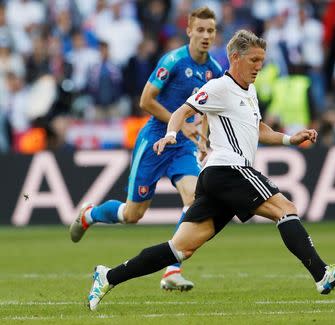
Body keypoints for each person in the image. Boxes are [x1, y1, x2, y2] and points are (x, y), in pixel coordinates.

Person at [86, 30, 335, 311]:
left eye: (262, 60)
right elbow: (183, 110)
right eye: (254, 59)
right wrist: (171, 134)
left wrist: (291, 139)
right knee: (285, 208)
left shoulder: (249, 90)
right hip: (229, 169)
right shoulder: (219, 86)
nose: (259, 66)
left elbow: (258, 129)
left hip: (219, 179)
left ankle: (108, 276)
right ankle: (322, 275)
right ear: (235, 57)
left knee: (180, 248)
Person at [70, 7, 222, 292]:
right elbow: (146, 100)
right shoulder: (173, 61)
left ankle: (172, 270)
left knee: (194, 200)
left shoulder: (214, 70)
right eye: (200, 30)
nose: (205, 35)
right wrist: (179, 127)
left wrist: (204, 140)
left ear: (215, 34)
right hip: (154, 140)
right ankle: (89, 214)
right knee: (132, 215)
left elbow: (209, 111)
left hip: (182, 147)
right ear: (189, 30)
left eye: (210, 30)